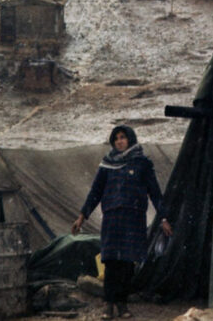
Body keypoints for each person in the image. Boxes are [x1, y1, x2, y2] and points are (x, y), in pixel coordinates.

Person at [72, 125, 172, 319]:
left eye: (123, 138)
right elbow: (95, 193)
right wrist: (82, 216)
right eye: (116, 138)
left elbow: (155, 193)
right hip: (112, 219)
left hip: (133, 219)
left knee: (127, 263)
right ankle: (108, 305)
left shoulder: (142, 163)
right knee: (111, 262)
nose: (119, 141)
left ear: (130, 140)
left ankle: (122, 305)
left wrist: (164, 218)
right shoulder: (107, 164)